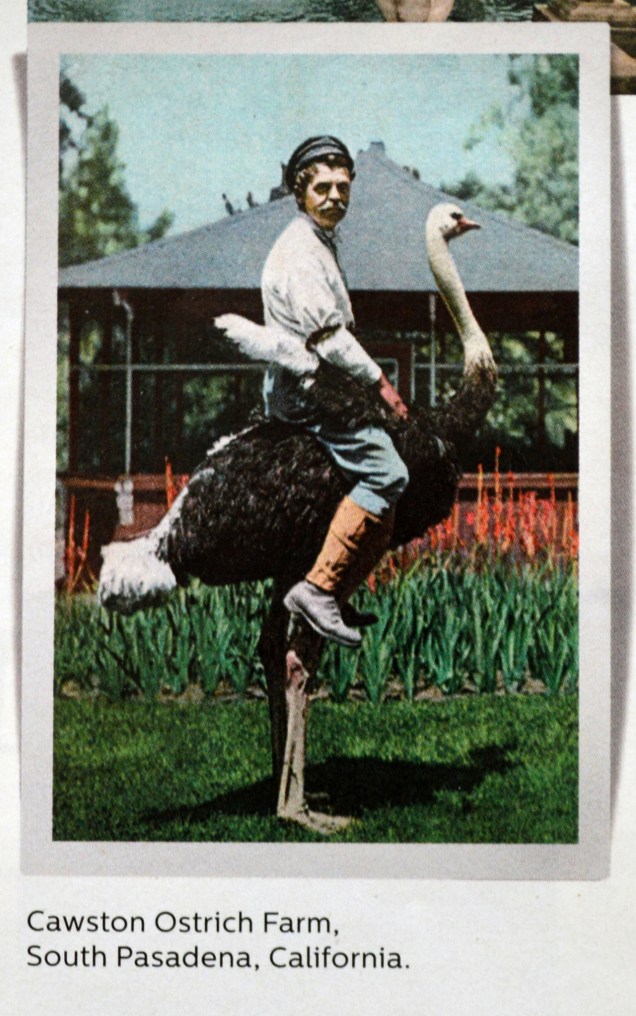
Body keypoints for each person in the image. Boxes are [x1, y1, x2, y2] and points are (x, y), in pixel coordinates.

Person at [261, 136, 409, 648]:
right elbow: (327, 336)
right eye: (321, 187)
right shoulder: (300, 251)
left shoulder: (318, 242)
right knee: (388, 471)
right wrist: (381, 384)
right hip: (306, 389)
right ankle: (318, 589)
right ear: (300, 192)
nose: (334, 197)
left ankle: (337, 587)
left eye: (342, 187)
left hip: (320, 382)